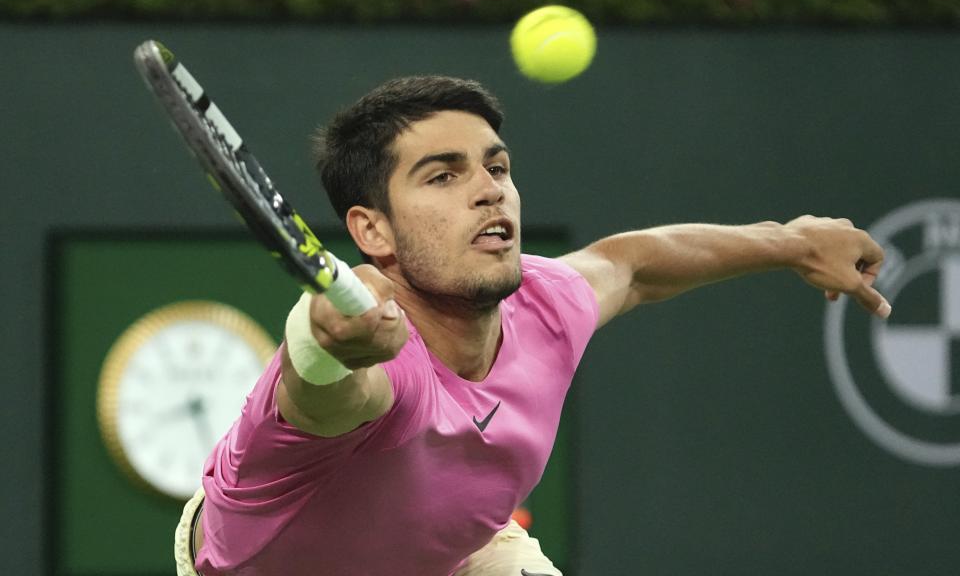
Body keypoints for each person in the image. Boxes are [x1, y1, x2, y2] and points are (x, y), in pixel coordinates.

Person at [173, 75, 890, 576]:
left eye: (497, 167)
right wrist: (326, 337)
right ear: (371, 229)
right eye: (443, 176)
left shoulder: (545, 303)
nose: (489, 190)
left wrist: (794, 240)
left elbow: (635, 265)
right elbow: (323, 386)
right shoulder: (377, 371)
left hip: (453, 556)